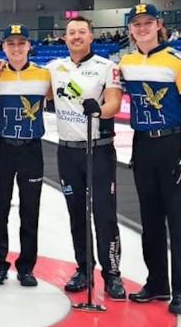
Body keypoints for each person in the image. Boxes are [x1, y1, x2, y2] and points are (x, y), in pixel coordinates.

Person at [119, 3, 181, 315]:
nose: (142, 28)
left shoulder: (179, 61)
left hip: (172, 143)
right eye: (136, 24)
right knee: (150, 222)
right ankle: (157, 284)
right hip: (143, 145)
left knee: (179, 222)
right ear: (130, 29)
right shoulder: (126, 62)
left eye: (147, 23)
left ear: (158, 25)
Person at [42, 17, 126, 299]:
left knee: (104, 213)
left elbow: (114, 103)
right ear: (64, 38)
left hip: (98, 149)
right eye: (71, 33)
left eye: (82, 32)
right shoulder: (54, 68)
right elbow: (33, 88)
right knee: (76, 214)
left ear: (91, 36)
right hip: (67, 151)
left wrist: (99, 110)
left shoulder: (107, 67)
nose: (76, 36)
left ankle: (112, 273)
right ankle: (84, 268)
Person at [0, 24, 50, 287]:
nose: (16, 48)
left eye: (21, 43)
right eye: (11, 43)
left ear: (29, 46)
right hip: (2, 148)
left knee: (30, 211)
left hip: (31, 149)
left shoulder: (45, 75)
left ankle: (26, 267)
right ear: (3, 47)